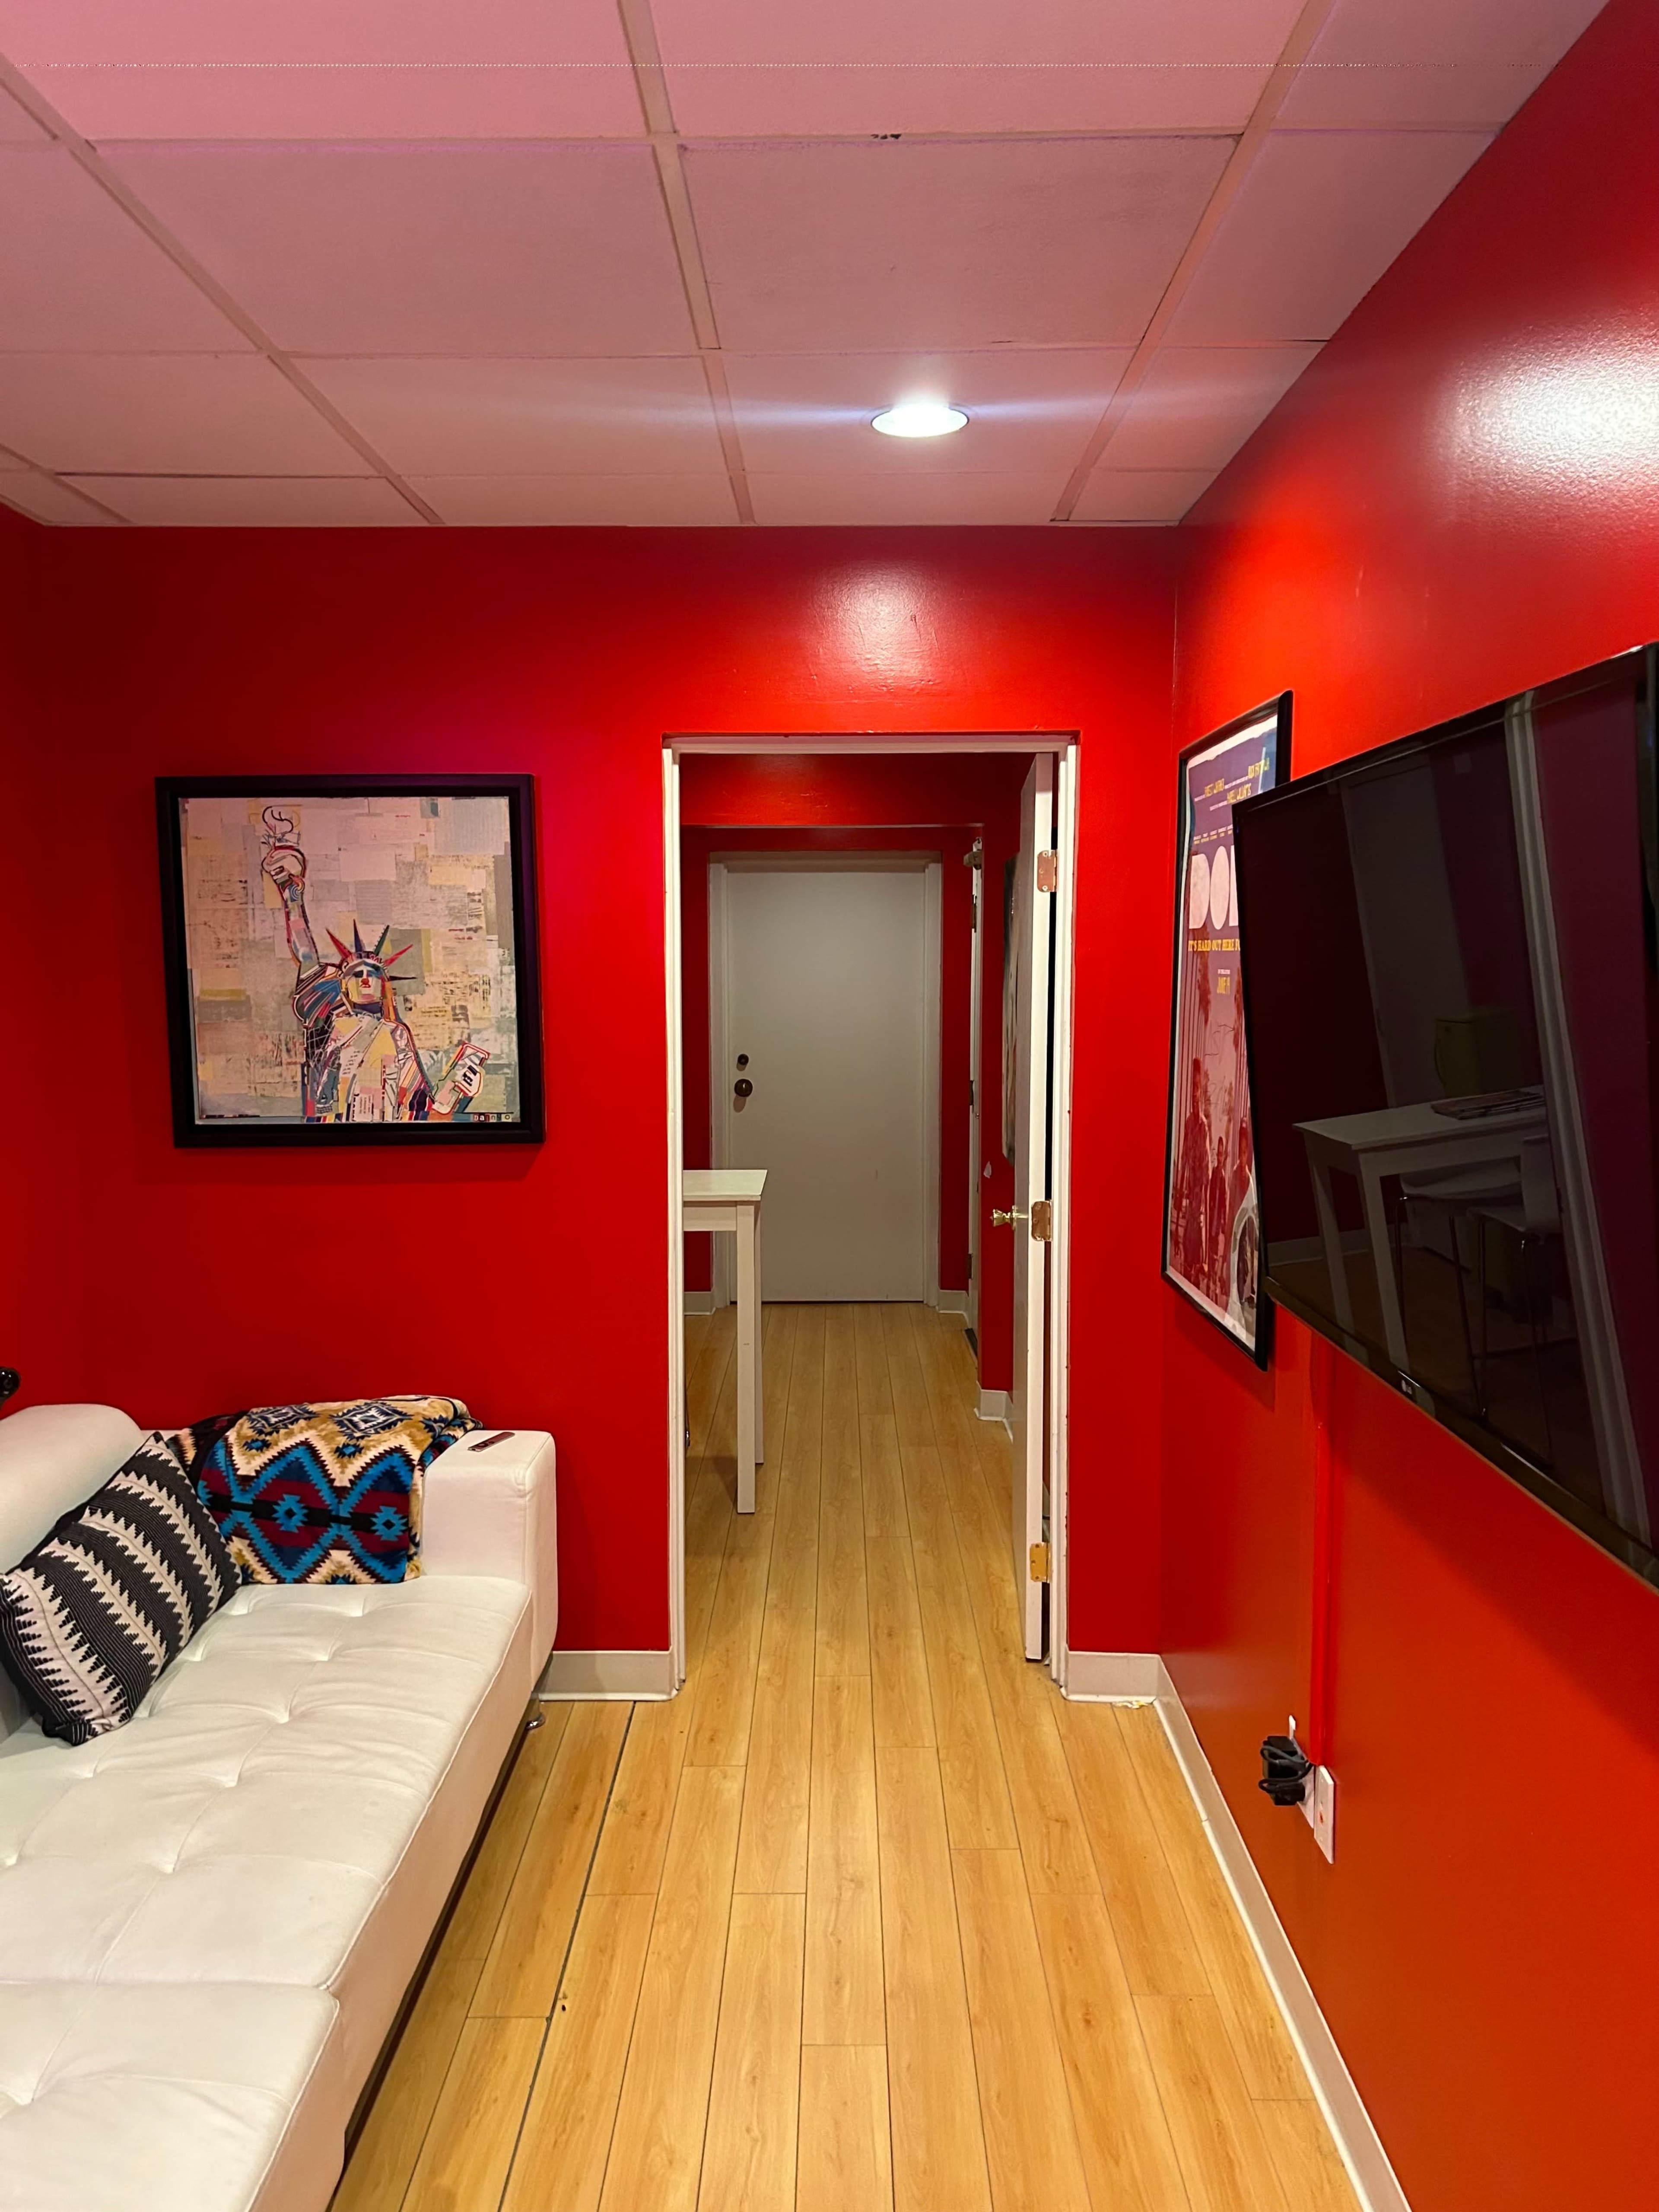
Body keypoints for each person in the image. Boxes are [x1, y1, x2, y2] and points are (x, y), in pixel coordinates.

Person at [260, 813, 484, 1123]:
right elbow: (307, 956)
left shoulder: (397, 1034)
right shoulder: (328, 1017)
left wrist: (460, 1091)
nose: (365, 979)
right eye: (356, 973)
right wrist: (292, 898)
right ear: (343, 984)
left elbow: (422, 1110)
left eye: (373, 973)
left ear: (384, 986)